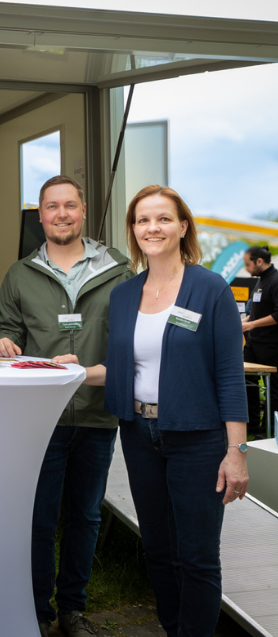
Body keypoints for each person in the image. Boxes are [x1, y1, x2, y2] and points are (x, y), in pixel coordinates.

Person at [55, 185, 248, 637]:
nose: (152, 228)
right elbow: (121, 368)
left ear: (182, 227)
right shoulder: (125, 295)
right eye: (143, 220)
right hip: (139, 434)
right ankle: (173, 628)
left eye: (163, 218)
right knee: (158, 551)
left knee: (197, 556)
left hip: (197, 438)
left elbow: (229, 373)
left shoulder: (210, 289)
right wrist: (75, 371)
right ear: (133, 230)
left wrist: (236, 451)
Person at [0, 175, 131, 637]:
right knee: (39, 516)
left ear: (83, 211)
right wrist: (3, 342)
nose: (62, 214)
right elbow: (7, 328)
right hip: (40, 417)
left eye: (70, 205)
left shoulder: (118, 270)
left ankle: (72, 609)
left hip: (97, 412)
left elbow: (131, 338)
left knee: (85, 515)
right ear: (41, 215)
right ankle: (37, 610)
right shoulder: (20, 274)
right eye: (52, 206)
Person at [242, 246, 278, 437]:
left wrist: (252, 324)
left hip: (271, 345)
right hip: (252, 343)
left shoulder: (276, 280)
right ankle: (252, 426)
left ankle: (268, 430)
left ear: (259, 261)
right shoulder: (260, 280)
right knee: (248, 385)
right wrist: (245, 321)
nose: (246, 268)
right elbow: (257, 311)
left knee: (273, 390)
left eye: (247, 264)